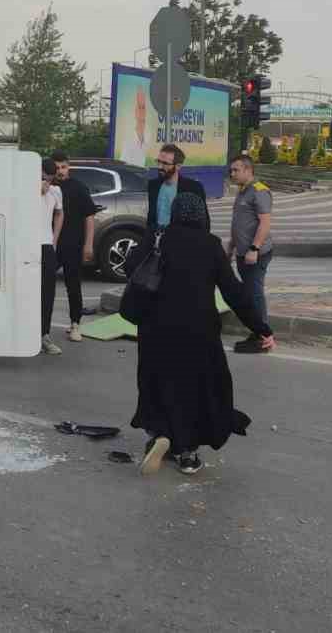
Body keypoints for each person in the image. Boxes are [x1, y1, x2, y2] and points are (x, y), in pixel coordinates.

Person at [125, 193, 268, 476]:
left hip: (155, 329)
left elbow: (131, 269)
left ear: (175, 213)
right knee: (194, 388)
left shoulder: (158, 236)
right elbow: (234, 292)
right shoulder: (210, 245)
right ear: (202, 214)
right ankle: (187, 452)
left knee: (158, 380)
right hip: (198, 331)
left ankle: (160, 434)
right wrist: (261, 328)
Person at [226, 154, 274, 354]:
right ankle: (257, 332)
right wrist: (231, 247)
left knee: (254, 294)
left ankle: (263, 337)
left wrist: (254, 249)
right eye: (231, 170)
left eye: (236, 170)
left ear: (248, 170)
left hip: (256, 254)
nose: (232, 173)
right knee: (248, 293)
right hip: (243, 253)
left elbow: (265, 223)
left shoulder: (259, 192)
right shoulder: (242, 191)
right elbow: (239, 224)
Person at [51, 151, 98, 342]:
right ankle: (40, 326)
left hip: (73, 244)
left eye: (63, 167)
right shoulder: (47, 187)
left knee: (73, 285)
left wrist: (88, 244)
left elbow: (89, 216)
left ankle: (75, 324)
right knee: (43, 285)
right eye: (57, 168)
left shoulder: (79, 188)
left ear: (68, 166)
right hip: (51, 244)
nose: (61, 171)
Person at [146, 144, 210, 233]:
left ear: (178, 166)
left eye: (165, 163)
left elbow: (204, 221)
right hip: (156, 240)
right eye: (158, 162)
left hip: (180, 241)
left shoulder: (193, 188)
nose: (159, 167)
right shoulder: (152, 185)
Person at [40, 157, 64, 357]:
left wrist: (54, 239)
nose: (47, 182)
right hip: (25, 246)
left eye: (50, 179)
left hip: (46, 245)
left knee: (47, 292)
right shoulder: (24, 188)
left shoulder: (56, 191)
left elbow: (59, 213)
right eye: (44, 178)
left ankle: (44, 335)